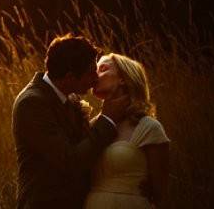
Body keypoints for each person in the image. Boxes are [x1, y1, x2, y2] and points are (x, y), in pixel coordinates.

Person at [12, 35, 130, 209]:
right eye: (91, 71)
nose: (95, 78)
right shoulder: (32, 103)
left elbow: (84, 144)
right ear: (69, 77)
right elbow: (69, 160)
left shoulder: (69, 96)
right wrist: (107, 119)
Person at [84, 53, 170, 208]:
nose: (94, 75)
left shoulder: (149, 128)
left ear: (123, 78)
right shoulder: (91, 126)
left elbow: (159, 192)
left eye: (102, 69)